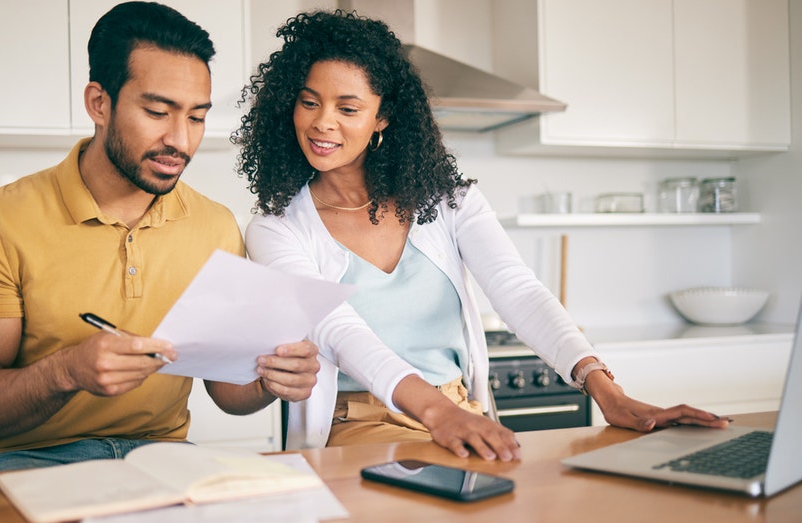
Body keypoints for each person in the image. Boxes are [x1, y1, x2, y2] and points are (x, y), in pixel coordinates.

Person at [234, 10, 729, 461]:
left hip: (460, 411)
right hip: (360, 427)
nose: (323, 122)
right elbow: (338, 332)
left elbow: (519, 291)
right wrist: (435, 413)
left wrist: (608, 394)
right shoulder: (277, 227)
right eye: (309, 102)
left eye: (348, 108)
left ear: (381, 118)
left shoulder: (449, 202)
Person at [0, 1, 319, 474]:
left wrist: (272, 379)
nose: (181, 141)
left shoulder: (215, 226)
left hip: (162, 458)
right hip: (24, 459)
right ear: (99, 103)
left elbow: (227, 393)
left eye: (197, 117)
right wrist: (66, 372)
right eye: (158, 111)